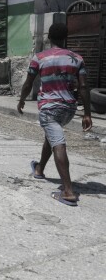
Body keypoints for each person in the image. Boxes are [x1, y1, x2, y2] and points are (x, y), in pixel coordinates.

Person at [18, 23, 92, 207]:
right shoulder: (76, 59)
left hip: (49, 108)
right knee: (51, 136)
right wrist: (87, 114)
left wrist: (21, 100)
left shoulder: (40, 57)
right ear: (65, 37)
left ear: (49, 38)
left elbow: (28, 83)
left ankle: (67, 191)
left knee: (58, 142)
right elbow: (83, 87)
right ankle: (39, 169)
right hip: (69, 109)